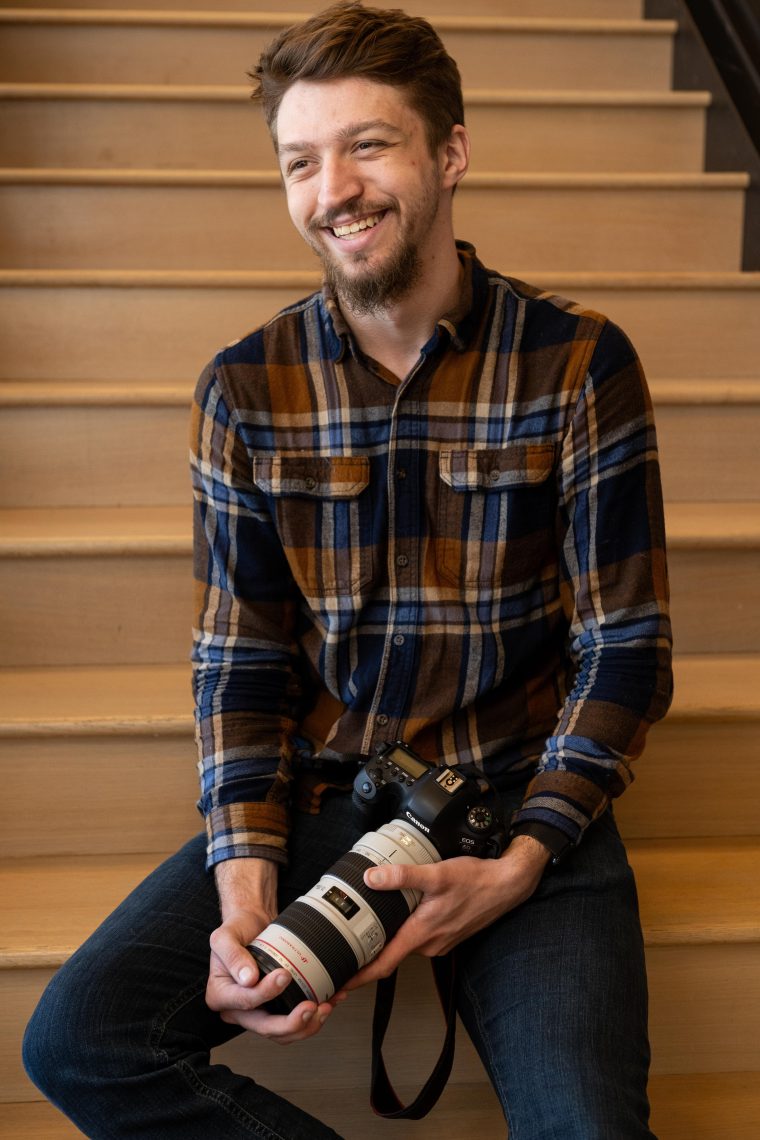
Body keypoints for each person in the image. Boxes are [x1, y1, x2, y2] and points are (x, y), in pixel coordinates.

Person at [23, 3, 673, 1137]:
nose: (336, 190)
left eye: (369, 145)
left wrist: (523, 861)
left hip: (523, 798)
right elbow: (240, 665)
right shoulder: (244, 388)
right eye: (301, 161)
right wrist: (245, 885)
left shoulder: (576, 360)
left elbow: (627, 645)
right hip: (337, 794)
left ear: (450, 152)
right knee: (80, 1041)